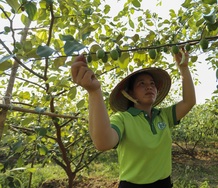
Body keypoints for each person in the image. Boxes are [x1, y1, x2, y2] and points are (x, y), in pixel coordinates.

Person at [71, 49, 196, 188]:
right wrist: (94, 92)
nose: (149, 86)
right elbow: (103, 143)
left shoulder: (163, 116)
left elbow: (188, 102)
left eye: (152, 83)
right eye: (141, 84)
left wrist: (183, 68)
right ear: (130, 93)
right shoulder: (123, 118)